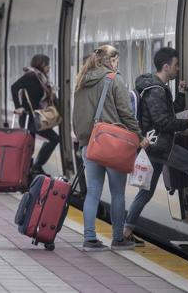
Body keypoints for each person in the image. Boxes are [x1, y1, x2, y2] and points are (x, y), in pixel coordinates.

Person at [73, 45, 149, 251]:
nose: (117, 64)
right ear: (112, 60)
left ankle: (89, 239)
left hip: (90, 145)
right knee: (117, 194)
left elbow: (76, 116)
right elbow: (126, 114)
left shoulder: (81, 81)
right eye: (116, 60)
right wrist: (140, 137)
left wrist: (83, 141)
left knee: (92, 193)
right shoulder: (115, 79)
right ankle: (118, 238)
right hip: (113, 145)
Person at [123, 47, 188, 246]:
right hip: (161, 146)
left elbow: (169, 112)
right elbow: (164, 122)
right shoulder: (156, 90)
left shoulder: (158, 87)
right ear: (166, 66)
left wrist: (180, 94)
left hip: (153, 146)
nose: (178, 69)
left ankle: (126, 231)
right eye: (176, 65)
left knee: (146, 192)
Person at [11, 54, 59, 176]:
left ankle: (31, 170)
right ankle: (33, 168)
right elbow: (14, 87)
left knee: (31, 146)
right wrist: (18, 107)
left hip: (37, 117)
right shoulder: (31, 76)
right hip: (28, 118)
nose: (49, 67)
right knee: (51, 139)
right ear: (41, 64)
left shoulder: (41, 78)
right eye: (47, 64)